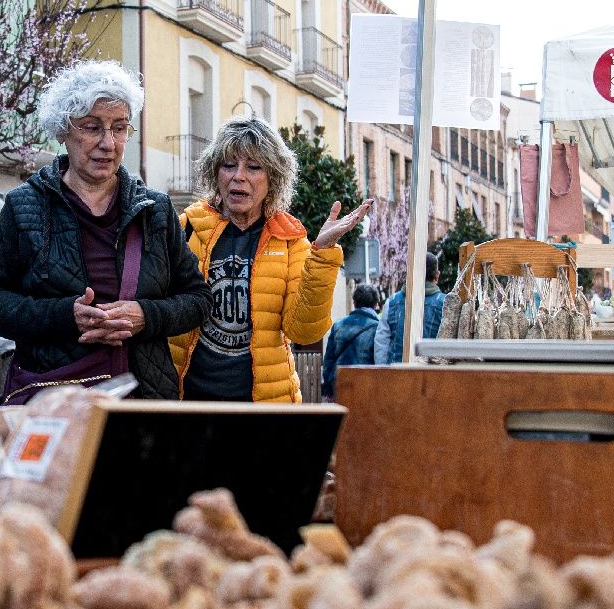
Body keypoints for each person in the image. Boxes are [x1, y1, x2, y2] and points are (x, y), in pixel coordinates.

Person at [0, 61, 209, 401]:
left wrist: (146, 315)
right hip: (55, 404)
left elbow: (198, 299)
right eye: (92, 127)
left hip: (141, 402)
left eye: (119, 128)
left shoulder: (155, 210)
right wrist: (65, 317)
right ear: (63, 131)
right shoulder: (24, 206)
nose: (108, 143)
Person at [170, 117, 369, 403]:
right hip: (188, 405)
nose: (239, 176)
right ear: (215, 172)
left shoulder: (290, 240)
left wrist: (323, 255)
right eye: (228, 165)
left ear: (273, 177)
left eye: (253, 167)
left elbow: (303, 331)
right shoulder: (185, 228)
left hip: (266, 409)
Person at [375, 252, 445, 364]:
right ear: (437, 275)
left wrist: (383, 372)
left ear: (409, 272)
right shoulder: (445, 304)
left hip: (396, 371)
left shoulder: (392, 302)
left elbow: (381, 344)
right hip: (431, 372)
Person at [321, 283, 381, 401]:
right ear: (375, 304)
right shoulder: (378, 327)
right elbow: (380, 357)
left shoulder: (338, 325)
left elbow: (329, 359)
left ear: (354, 303)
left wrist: (327, 387)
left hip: (339, 381)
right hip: (365, 382)